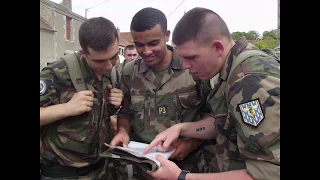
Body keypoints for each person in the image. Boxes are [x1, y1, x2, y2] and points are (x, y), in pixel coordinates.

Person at [144, 7, 280, 180]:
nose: (184, 65)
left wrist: (181, 177)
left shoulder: (249, 83)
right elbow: (227, 121)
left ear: (218, 47)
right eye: (182, 57)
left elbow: (270, 174)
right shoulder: (231, 69)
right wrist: (182, 128)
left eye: (191, 57)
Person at [109, 7, 209, 180]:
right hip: (143, 169)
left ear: (167, 35)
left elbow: (213, 116)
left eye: (153, 43)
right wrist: (123, 131)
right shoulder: (129, 72)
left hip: (187, 167)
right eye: (139, 45)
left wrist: (189, 144)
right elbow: (125, 112)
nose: (146, 51)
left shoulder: (192, 67)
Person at [40, 17, 124, 180]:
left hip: (102, 171)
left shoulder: (113, 75)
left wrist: (115, 107)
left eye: (113, 57)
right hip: (64, 174)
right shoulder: (56, 74)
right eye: (99, 60)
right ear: (83, 53)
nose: (108, 65)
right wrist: (66, 109)